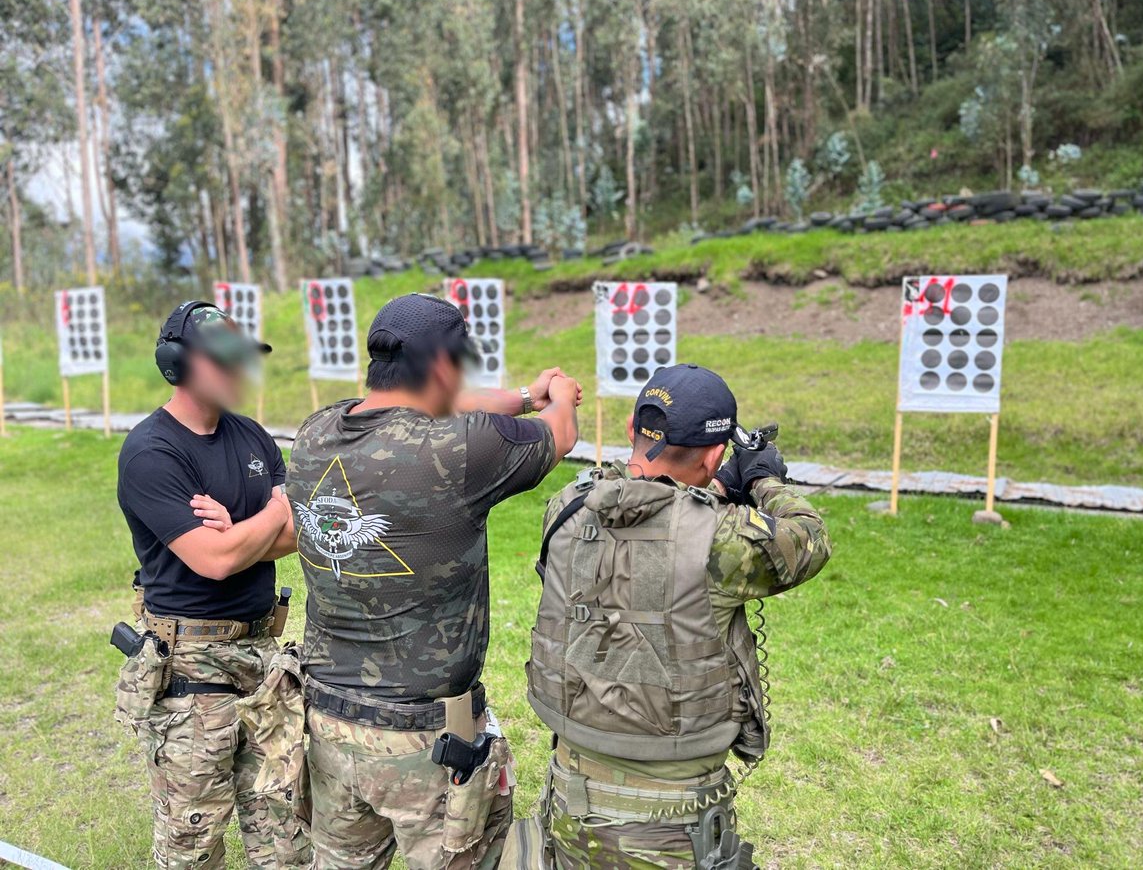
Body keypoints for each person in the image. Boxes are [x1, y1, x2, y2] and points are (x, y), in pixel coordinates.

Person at [286, 293, 581, 870]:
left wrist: (524, 394)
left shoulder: (315, 432)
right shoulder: (459, 448)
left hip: (327, 722)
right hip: (427, 738)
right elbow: (560, 435)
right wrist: (560, 396)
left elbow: (443, 406)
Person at [507, 363, 832, 870]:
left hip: (570, 798)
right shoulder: (724, 541)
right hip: (671, 826)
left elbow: (640, 503)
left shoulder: (566, 507)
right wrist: (761, 477)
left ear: (631, 429)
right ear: (716, 454)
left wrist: (714, 485)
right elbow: (808, 537)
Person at [114, 301, 312, 869]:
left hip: (262, 656)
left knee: (288, 835)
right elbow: (216, 560)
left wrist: (241, 529)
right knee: (192, 846)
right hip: (190, 669)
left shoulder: (252, 437)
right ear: (177, 364)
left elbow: (298, 533)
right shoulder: (151, 452)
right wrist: (270, 514)